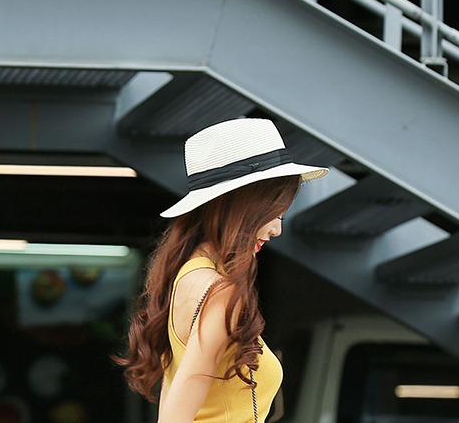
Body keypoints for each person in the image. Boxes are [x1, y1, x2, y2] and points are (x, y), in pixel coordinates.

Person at [113, 118, 328, 423]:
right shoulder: (219, 290)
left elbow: (175, 401)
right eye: (273, 213)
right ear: (242, 205)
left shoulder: (187, 275)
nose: (277, 229)